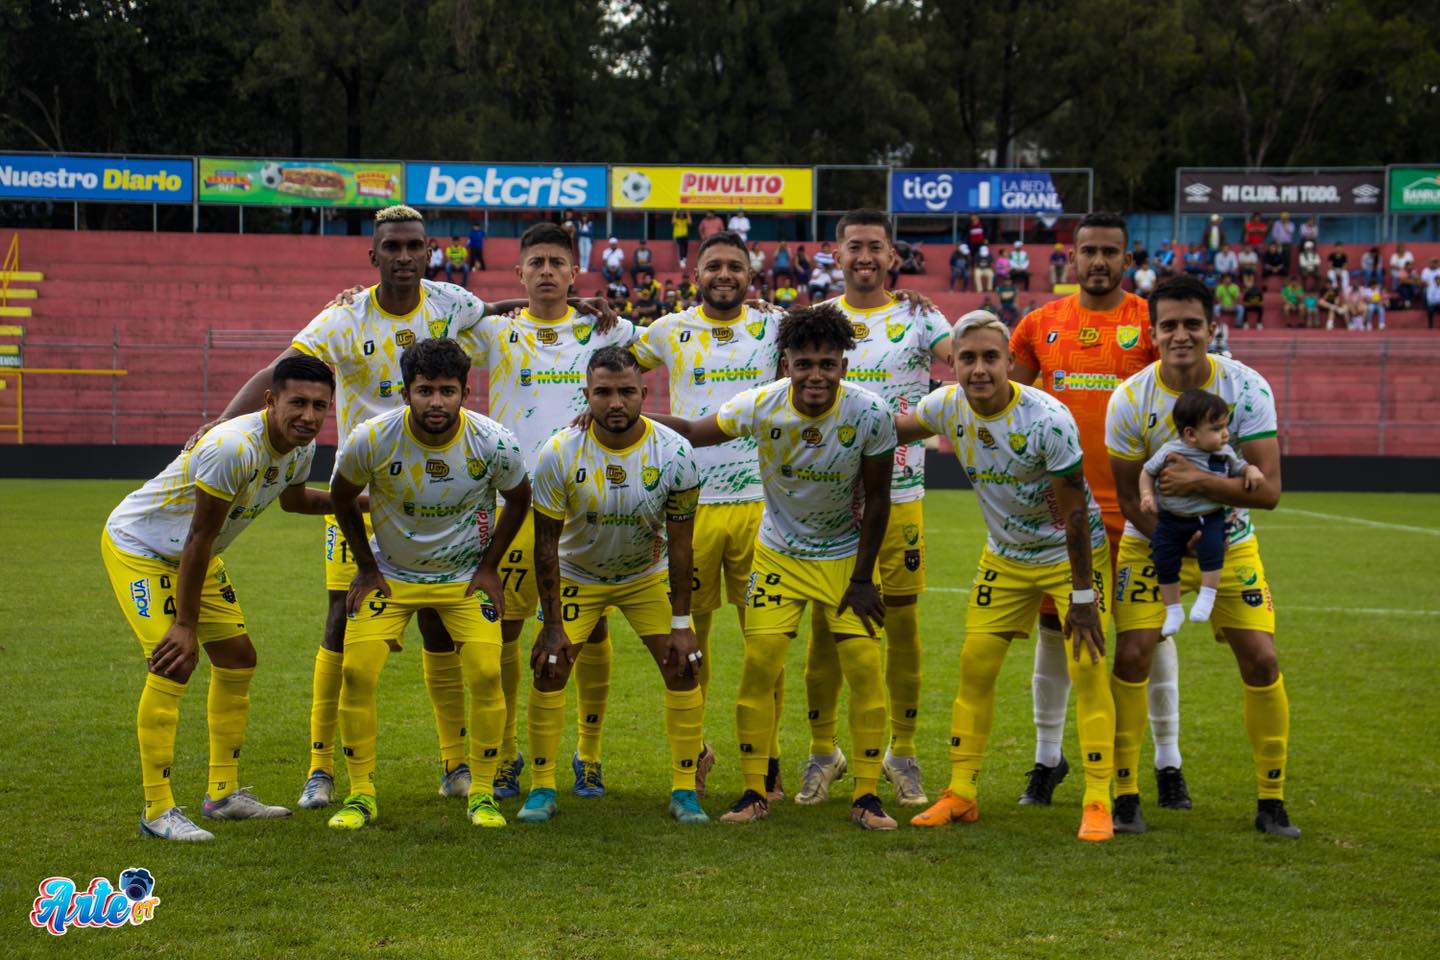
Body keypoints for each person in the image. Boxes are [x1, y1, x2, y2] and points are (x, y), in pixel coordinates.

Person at [213, 205, 506, 811]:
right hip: (361, 497)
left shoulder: (451, 302)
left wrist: (583, 310)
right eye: (392, 246)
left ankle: (454, 763)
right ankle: (320, 770)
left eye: (415, 246)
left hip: (439, 501)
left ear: (430, 253)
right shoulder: (344, 316)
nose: (404, 256)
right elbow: (282, 368)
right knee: (340, 623)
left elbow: (507, 314)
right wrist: (217, 428)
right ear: (373, 256)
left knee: (438, 624)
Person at [656, 304, 900, 830]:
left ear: (844, 365)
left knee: (863, 670)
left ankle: (865, 795)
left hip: (843, 559)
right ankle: (753, 791)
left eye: (828, 364)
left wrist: (861, 579)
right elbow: (696, 432)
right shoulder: (762, 404)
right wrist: (630, 418)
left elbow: (879, 500)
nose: (817, 375)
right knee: (759, 667)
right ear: (786, 362)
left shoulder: (870, 413)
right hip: (779, 556)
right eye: (805, 363)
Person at [901, 312, 1116, 843]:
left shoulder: (1048, 420)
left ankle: (1097, 800)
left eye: (990, 357)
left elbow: (1072, 515)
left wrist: (1084, 597)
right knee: (975, 668)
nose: (978, 369)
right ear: (953, 364)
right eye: (966, 357)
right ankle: (962, 793)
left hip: (1071, 556)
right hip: (1005, 556)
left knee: (1087, 668)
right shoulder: (947, 405)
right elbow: (889, 430)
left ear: (1009, 363)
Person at [102, 356, 337, 841]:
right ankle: (157, 809)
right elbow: (199, 536)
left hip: (194, 553)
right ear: (270, 401)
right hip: (142, 548)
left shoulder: (300, 446)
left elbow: (295, 501)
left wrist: (375, 501)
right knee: (173, 662)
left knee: (237, 658)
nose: (309, 417)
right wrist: (185, 624)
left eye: (319, 406)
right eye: (297, 403)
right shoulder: (232, 447)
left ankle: (223, 795)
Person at [1106, 273, 1298, 839]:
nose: (1181, 335)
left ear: (1213, 328)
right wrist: (1173, 534)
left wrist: (1199, 484)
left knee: (1262, 660)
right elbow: (1125, 496)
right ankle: (1125, 794)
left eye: (1193, 324)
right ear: (1154, 331)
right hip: (1153, 542)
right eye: (1170, 325)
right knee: (1133, 654)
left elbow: (1268, 492)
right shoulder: (1131, 398)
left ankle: (1272, 800)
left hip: (1230, 543)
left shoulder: (1248, 388)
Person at [464, 222, 639, 800]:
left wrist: (758, 302)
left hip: (589, 509)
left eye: (556, 263)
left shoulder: (604, 330)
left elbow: (679, 339)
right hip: (515, 503)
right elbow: (423, 326)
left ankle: (588, 756)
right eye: (535, 262)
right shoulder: (494, 331)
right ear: (519, 274)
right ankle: (510, 752)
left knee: (592, 631)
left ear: (573, 272)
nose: (545, 271)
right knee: (508, 631)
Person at [1007, 211, 1175, 809]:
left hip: (1139, 506)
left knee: (1146, 631)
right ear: (1070, 259)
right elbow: (1009, 412)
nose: (1098, 261)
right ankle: (1048, 760)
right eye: (1088, 251)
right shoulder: (1037, 325)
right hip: (1063, 509)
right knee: (1055, 627)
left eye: (1110, 251)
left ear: (1127, 259)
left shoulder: (1151, 324)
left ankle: (1167, 761)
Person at [326, 338, 529, 831]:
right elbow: (341, 494)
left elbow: (519, 499)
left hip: (462, 579)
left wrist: (488, 568)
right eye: (424, 391)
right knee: (357, 672)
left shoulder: (494, 441)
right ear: (405, 392)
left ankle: (481, 792)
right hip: (392, 577)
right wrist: (366, 567)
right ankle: (361, 795)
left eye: (447, 391)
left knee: (486, 673)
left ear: (463, 392)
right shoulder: (372, 438)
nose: (436, 402)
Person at [519, 347, 707, 824]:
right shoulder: (559, 451)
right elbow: (546, 546)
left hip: (645, 577)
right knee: (550, 667)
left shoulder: (674, 452)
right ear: (587, 395)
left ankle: (685, 790)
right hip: (579, 577)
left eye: (626, 391)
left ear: (645, 394)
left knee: (684, 667)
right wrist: (552, 623)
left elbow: (683, 548)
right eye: (603, 392)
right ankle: (542, 788)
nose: (616, 402)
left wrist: (683, 624)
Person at [804, 209, 952, 809]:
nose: (865, 256)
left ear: (893, 257)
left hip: (901, 496)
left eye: (876, 247)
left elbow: (970, 357)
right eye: (854, 247)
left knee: (905, 625)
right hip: (828, 501)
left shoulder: (919, 316)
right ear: (835, 255)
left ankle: (904, 753)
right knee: (824, 627)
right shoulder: (814, 322)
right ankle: (823, 752)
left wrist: (932, 417)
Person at [632, 230, 786, 798]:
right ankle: (692, 753)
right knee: (687, 643)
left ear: (752, 273)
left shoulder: (777, 325)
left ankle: (767, 760)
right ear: (695, 273)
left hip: (761, 509)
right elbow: (601, 352)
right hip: (690, 507)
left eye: (735, 266)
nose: (725, 274)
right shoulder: (668, 330)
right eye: (714, 265)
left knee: (765, 643)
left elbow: (845, 330)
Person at [1139, 389, 1265, 638]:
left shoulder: (1224, 452)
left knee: (1213, 548)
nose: (1226, 434)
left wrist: (1251, 471)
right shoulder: (1170, 452)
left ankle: (1207, 597)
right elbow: (1147, 472)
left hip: (1209, 517)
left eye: (1226, 426)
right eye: (1217, 429)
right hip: (1171, 519)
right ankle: (1173, 609)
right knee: (1163, 558)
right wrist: (1147, 495)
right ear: (1191, 434)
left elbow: (1239, 467)